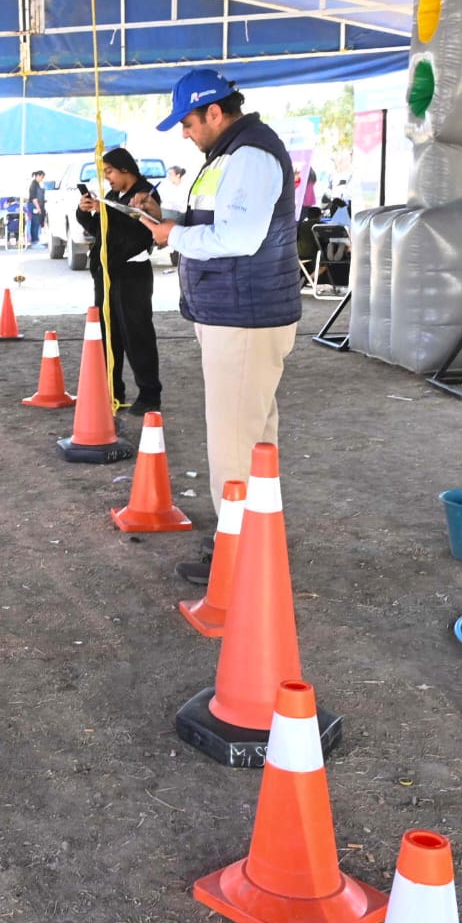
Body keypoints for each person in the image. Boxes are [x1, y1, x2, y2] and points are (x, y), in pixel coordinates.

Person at [133, 69, 300, 586]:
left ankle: (237, 552)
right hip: (237, 312)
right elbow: (215, 222)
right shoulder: (229, 155)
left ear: (214, 111)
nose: (184, 132)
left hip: (244, 315)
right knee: (251, 435)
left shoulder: (249, 155)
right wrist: (165, 218)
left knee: (233, 438)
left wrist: (172, 236)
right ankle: (255, 539)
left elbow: (239, 237)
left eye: (187, 121)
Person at [75, 147, 162, 416]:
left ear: (125, 169)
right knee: (107, 335)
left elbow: (141, 233)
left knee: (136, 335)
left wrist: (108, 212)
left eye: (110, 171)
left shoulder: (145, 194)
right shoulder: (112, 196)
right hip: (106, 274)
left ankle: (149, 394)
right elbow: (100, 230)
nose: (107, 178)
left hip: (132, 275)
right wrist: (85, 211)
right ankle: (112, 390)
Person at [27, 171, 47, 247]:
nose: (42, 179)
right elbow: (34, 198)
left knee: (37, 223)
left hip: (37, 205)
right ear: (38, 176)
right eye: (42, 177)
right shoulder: (33, 185)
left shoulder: (37, 184)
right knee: (35, 223)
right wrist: (38, 207)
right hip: (34, 205)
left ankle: (36, 240)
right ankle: (35, 241)